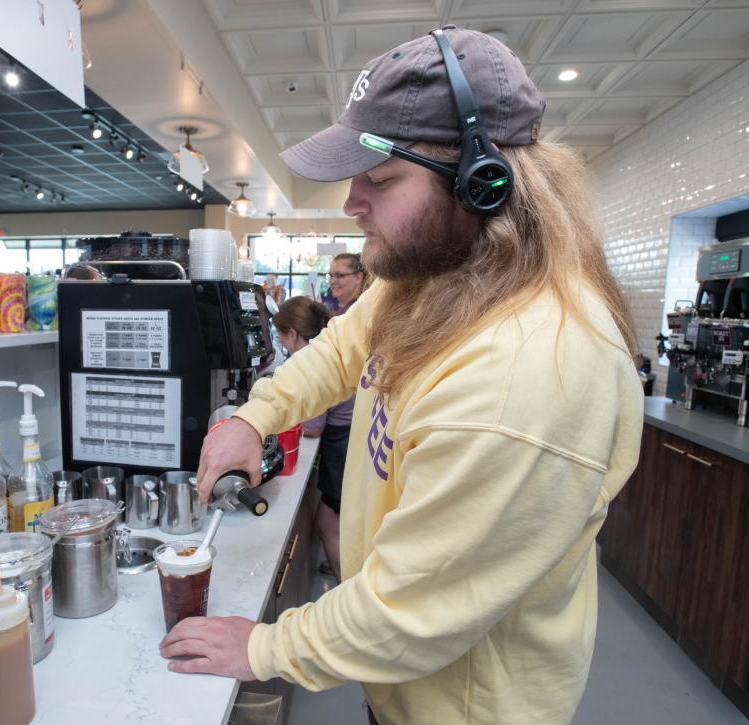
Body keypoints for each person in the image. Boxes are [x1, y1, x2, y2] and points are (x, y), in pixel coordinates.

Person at [160, 26, 643, 725]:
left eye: (381, 179)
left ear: (482, 184)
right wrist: (253, 415)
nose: (352, 201)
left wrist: (266, 647)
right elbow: (341, 347)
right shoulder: (437, 268)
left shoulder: (529, 376)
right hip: (402, 683)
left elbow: (407, 611)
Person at [273, 296, 352, 581]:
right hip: (350, 439)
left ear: (292, 334)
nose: (280, 343)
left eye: (280, 336)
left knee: (327, 524)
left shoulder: (313, 361)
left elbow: (314, 426)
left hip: (342, 445)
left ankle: (349, 594)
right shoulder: (328, 349)